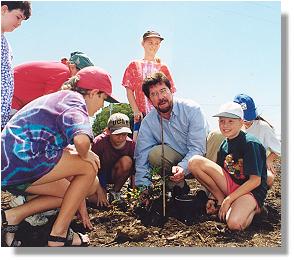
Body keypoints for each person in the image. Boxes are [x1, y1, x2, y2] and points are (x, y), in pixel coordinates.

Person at [1, 66, 119, 247]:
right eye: (103, 99)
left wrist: (82, 210)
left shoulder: (57, 99)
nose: (102, 106)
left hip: (11, 166)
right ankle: (58, 235)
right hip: (23, 159)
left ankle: (11, 217)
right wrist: (86, 153)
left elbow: (76, 185)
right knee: (89, 165)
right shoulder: (75, 100)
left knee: (71, 194)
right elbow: (81, 142)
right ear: (94, 92)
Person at [188, 102, 268, 231]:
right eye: (222, 121)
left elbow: (255, 181)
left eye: (231, 121)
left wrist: (229, 199)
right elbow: (220, 172)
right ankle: (220, 202)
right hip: (231, 184)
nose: (225, 125)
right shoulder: (224, 144)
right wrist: (213, 197)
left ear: (241, 122)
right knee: (194, 162)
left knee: (234, 224)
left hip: (250, 191)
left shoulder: (250, 143)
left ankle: (256, 210)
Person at [134, 72, 209, 198]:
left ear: (171, 90)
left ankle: (207, 192)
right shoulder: (148, 122)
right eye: (154, 94)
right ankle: (178, 188)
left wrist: (182, 167)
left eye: (163, 91)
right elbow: (142, 156)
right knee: (155, 154)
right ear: (149, 100)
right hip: (177, 163)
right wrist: (143, 187)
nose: (160, 97)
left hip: (203, 156)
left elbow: (198, 148)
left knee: (217, 139)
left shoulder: (192, 109)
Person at [122, 30, 176, 140]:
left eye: (157, 43)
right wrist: (136, 110)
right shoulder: (134, 65)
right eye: (150, 42)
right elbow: (129, 91)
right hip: (142, 116)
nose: (154, 46)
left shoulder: (163, 67)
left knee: (162, 146)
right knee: (139, 148)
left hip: (161, 115)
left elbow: (171, 92)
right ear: (143, 44)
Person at [11, 51, 94, 113]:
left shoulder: (61, 69)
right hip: (11, 98)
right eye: (81, 76)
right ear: (72, 67)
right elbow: (48, 105)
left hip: (15, 98)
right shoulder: (65, 73)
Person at [233, 94, 281, 188]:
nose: (246, 120)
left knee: (269, 177)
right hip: (237, 166)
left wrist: (269, 160)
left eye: (248, 116)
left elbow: (278, 149)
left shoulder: (263, 127)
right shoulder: (231, 127)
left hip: (257, 167)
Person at [89, 113, 135, 207]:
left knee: (127, 161)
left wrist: (135, 192)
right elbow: (89, 168)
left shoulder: (131, 145)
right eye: (117, 134)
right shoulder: (99, 142)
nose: (121, 138)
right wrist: (100, 190)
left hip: (116, 173)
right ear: (108, 131)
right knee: (98, 201)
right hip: (98, 174)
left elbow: (134, 171)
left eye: (124, 134)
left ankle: (115, 192)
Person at [1, 1, 32, 129]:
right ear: (3, 10)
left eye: (22, 21)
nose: (19, 24)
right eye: (18, 17)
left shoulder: (7, 44)